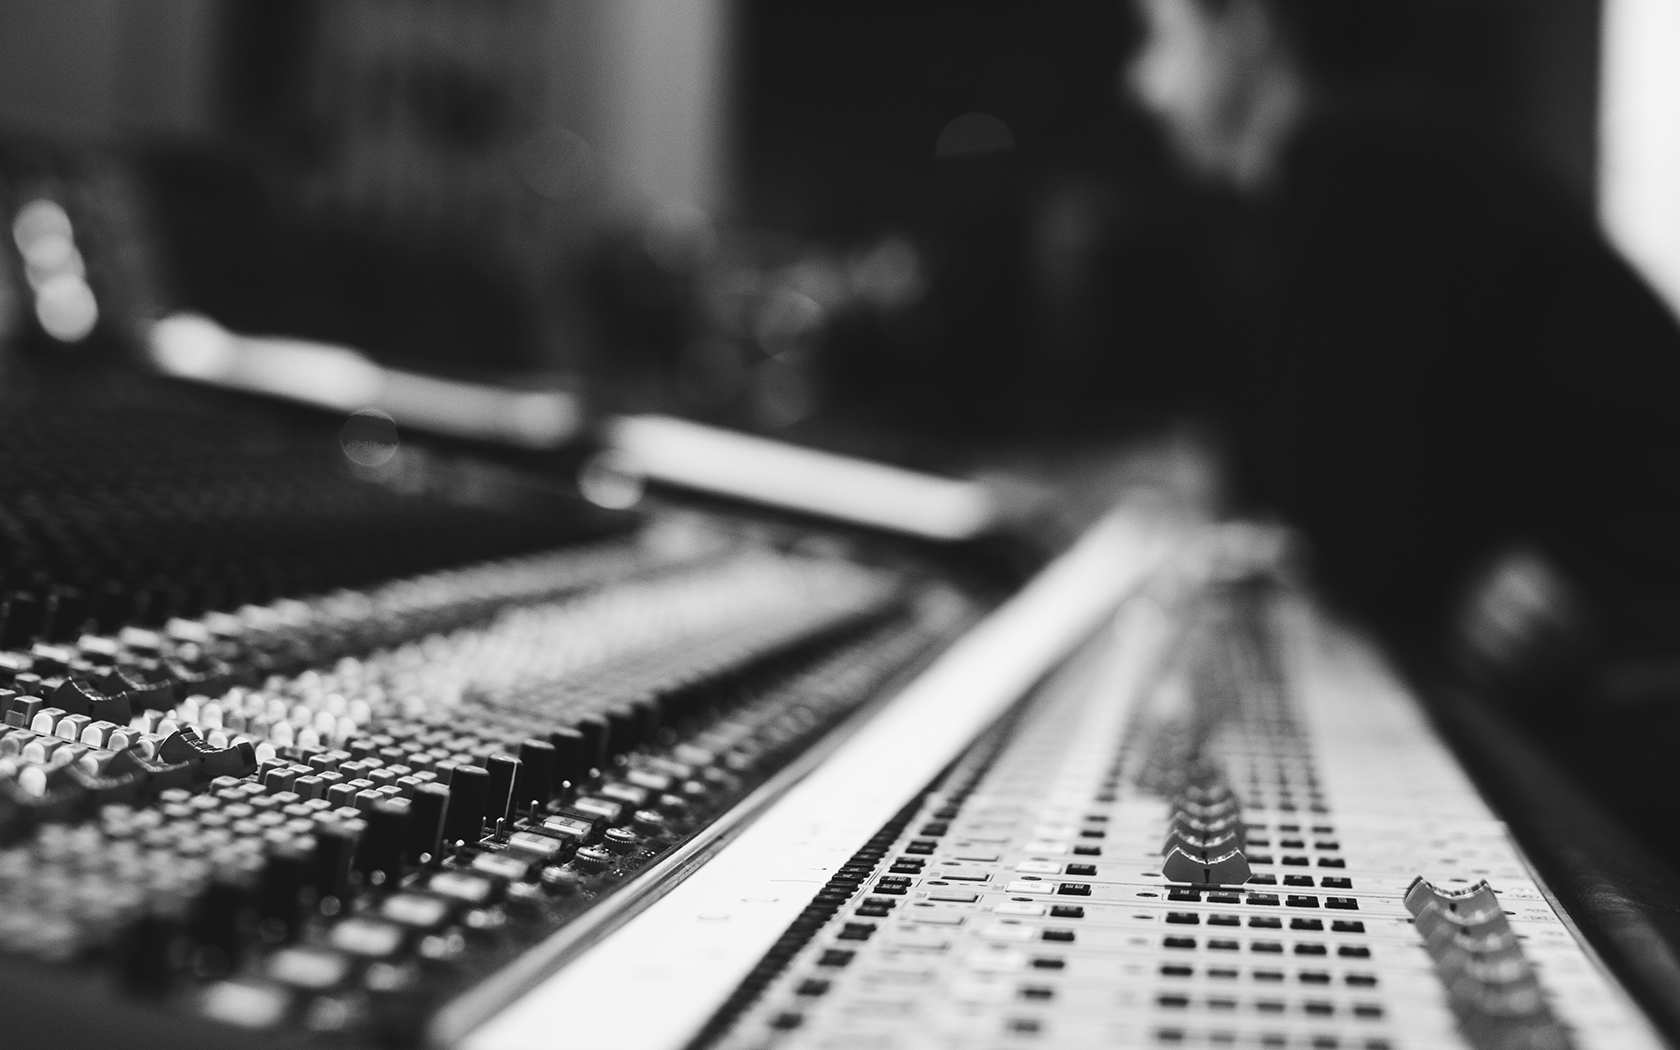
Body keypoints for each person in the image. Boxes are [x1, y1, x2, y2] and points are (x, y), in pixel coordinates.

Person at [1123, 0, 1680, 696]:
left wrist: (1581, 570)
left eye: (1158, 40)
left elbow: (1374, 521)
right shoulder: (1358, 167)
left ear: (1245, 30)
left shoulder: (1360, 164)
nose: (1144, 85)